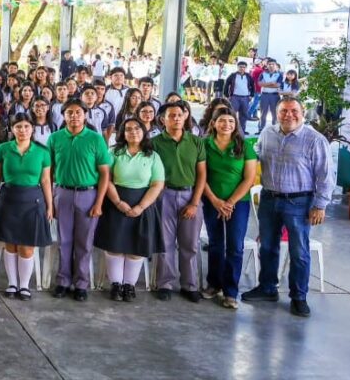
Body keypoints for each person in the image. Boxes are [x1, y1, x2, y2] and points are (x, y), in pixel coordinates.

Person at [244, 97, 331, 318]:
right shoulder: (267, 133)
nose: (288, 115)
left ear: (303, 113)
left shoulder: (315, 140)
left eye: (294, 111)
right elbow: (256, 154)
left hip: (299, 203)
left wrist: (320, 205)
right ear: (277, 112)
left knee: (299, 252)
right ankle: (267, 288)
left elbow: (325, 175)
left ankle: (298, 297)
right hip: (269, 198)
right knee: (268, 247)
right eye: (283, 111)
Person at [94, 117, 165, 302]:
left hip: (143, 205)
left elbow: (157, 184)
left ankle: (129, 285)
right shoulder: (113, 152)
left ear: (144, 132)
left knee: (136, 248)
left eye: (137, 129)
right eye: (128, 129)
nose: (133, 132)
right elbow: (106, 179)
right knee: (114, 247)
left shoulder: (152, 155)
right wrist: (118, 202)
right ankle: (116, 284)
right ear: (122, 133)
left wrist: (141, 206)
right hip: (115, 203)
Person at [46, 100, 112, 301]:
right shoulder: (55, 138)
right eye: (69, 113)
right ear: (63, 116)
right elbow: (48, 172)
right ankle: (63, 281)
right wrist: (51, 200)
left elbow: (104, 174)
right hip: (63, 193)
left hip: (89, 195)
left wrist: (99, 203)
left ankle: (81, 283)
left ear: (85, 115)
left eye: (78, 112)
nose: (73, 116)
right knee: (64, 240)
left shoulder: (95, 139)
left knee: (84, 242)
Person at [0, 113, 54, 300]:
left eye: (26, 126)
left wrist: (49, 206)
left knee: (27, 246)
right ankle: (12, 283)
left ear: (32, 129)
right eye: (18, 127)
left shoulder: (42, 152)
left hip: (33, 201)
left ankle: (24, 285)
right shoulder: (3, 149)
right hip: (8, 199)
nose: (22, 130)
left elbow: (45, 181)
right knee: (10, 244)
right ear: (12, 130)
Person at [152, 102, 208, 303]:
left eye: (179, 115)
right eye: (171, 115)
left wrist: (194, 202)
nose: (176, 118)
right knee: (165, 243)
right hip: (164, 195)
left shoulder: (196, 142)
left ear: (185, 118)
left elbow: (202, 174)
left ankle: (189, 284)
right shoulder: (155, 143)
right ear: (163, 119)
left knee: (190, 244)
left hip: (190, 195)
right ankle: (165, 283)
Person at [201, 110, 257, 310]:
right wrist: (215, 200)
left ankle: (231, 291)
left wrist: (230, 202)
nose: (227, 124)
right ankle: (214, 284)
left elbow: (249, 178)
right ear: (214, 124)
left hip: (238, 203)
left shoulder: (245, 146)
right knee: (216, 243)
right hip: (211, 201)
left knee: (235, 245)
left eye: (231, 121)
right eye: (222, 121)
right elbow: (201, 177)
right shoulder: (204, 145)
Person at [257, 60, 283, 131]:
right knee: (263, 113)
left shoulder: (279, 74)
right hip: (264, 95)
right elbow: (259, 84)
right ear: (267, 65)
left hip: (274, 96)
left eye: (273, 64)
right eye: (269, 64)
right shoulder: (263, 74)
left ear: (276, 65)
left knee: (274, 113)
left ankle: (275, 129)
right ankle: (261, 128)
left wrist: (266, 84)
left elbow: (278, 85)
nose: (271, 66)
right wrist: (271, 83)